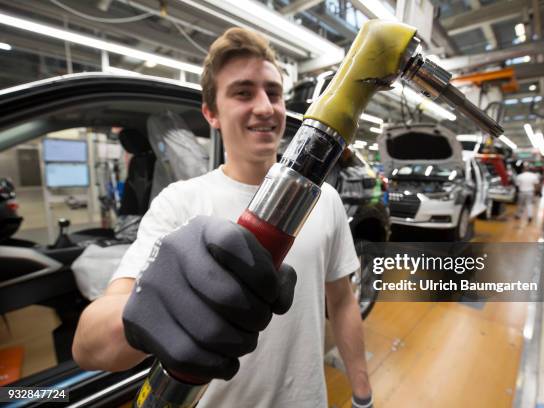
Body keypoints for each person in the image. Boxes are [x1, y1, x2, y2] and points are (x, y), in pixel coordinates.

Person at [72, 27, 373, 408]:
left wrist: (362, 393)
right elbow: (88, 347)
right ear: (211, 113)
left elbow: (343, 302)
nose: (265, 107)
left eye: (273, 93)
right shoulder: (180, 203)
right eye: (243, 92)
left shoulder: (324, 200)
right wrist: (146, 314)